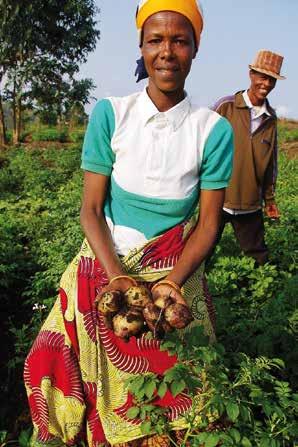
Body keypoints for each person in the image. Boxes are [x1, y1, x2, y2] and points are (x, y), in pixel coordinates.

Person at [24, 1, 233, 446]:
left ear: (195, 49)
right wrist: (117, 275)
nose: (167, 51)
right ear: (141, 46)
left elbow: (209, 224)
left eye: (179, 40)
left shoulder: (212, 130)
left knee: (186, 395)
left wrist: (171, 284)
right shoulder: (111, 114)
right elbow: (91, 210)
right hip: (105, 259)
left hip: (173, 270)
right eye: (155, 40)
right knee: (56, 365)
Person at [213, 49, 286, 265]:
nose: (266, 84)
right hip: (218, 198)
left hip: (250, 202)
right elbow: (201, 143)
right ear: (251, 74)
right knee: (201, 252)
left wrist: (270, 200)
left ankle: (261, 295)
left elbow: (271, 163)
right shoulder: (225, 106)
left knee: (258, 257)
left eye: (272, 80)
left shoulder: (270, 119)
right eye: (262, 77)